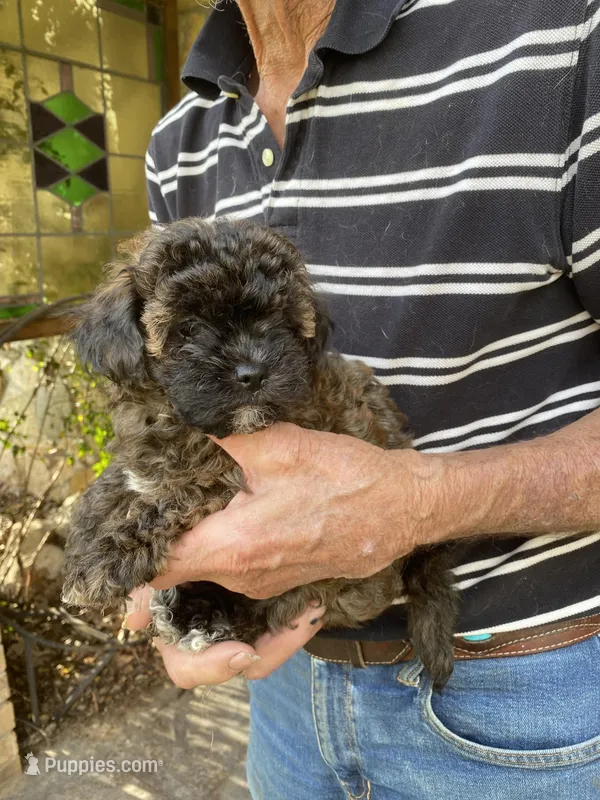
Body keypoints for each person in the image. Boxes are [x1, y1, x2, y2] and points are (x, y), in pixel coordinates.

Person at [127, 0, 600, 796]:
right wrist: (170, 590)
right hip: (281, 686)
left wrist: (421, 503)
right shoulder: (181, 137)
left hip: (524, 689)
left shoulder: (558, 34)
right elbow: (172, 412)